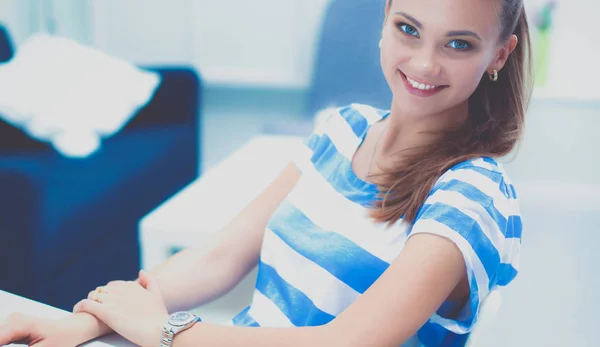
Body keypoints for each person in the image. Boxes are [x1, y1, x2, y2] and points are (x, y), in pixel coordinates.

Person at [0, 0, 531, 345]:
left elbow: (347, 342)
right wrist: (80, 322)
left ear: (498, 54)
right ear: (386, 17)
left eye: (458, 44)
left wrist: (164, 330)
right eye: (408, 29)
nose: (423, 63)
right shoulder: (343, 129)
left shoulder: (473, 194)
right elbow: (220, 255)